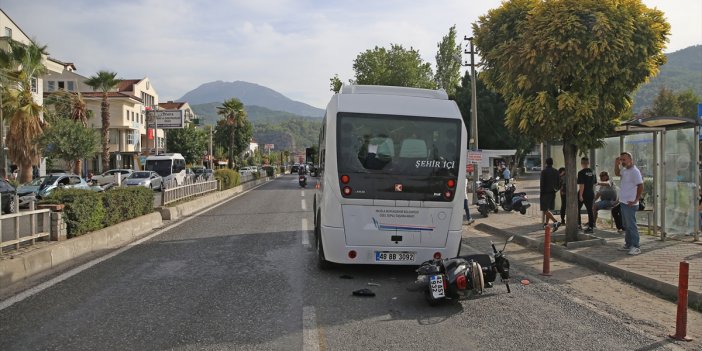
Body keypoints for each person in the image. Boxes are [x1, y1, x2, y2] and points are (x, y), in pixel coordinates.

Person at [614, 152, 644, 255]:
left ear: (630, 160)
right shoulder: (625, 170)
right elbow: (617, 174)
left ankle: (636, 246)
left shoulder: (635, 171)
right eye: (621, 159)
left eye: (624, 159)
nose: (622, 161)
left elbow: (640, 185)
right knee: (626, 225)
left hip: (630, 203)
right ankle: (628, 244)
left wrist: (636, 200)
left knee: (631, 225)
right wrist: (616, 164)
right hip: (623, 202)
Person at [540, 158, 561, 232]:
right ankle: (546, 224)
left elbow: (542, 183)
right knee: (548, 209)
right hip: (553, 193)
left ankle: (555, 221)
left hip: (545, 193)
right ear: (552, 163)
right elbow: (559, 183)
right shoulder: (556, 171)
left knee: (545, 209)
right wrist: (556, 190)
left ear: (546, 163)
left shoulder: (544, 172)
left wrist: (541, 193)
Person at [577, 157, 596, 233]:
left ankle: (578, 225)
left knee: (577, 209)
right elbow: (594, 183)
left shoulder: (581, 172)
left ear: (582, 163)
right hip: (590, 193)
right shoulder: (593, 172)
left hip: (583, 193)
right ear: (588, 163)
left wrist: (580, 195)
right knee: (590, 210)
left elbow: (582, 185)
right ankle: (591, 227)